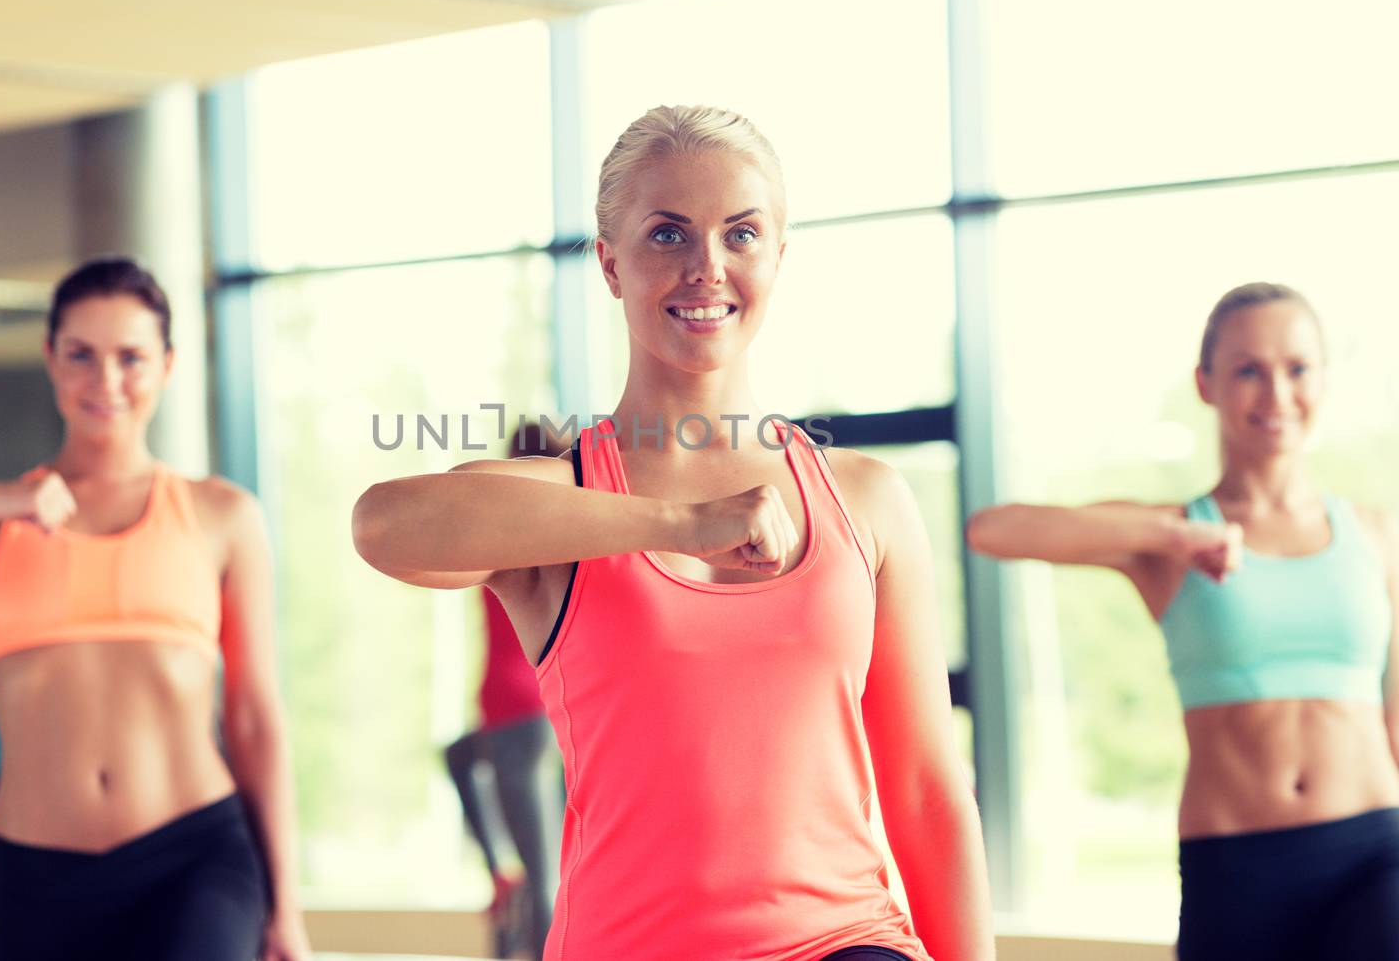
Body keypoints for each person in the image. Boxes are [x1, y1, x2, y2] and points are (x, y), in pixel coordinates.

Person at [355, 105, 993, 961]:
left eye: (740, 233)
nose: (707, 267)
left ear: (777, 255)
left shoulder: (865, 499)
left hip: (845, 940)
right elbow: (386, 524)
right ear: (611, 265)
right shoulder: (561, 507)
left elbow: (923, 791)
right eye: (667, 234)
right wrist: (679, 523)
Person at [0, 257, 310, 961]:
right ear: (51, 358)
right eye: (82, 355)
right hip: (36, 877)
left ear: (168, 363)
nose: (106, 381)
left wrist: (287, 904)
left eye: (131, 357)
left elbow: (255, 717)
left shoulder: (221, 514)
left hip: (191, 857)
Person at [966, 282, 1399, 960]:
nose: (1276, 394)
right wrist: (1172, 535)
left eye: (1297, 368)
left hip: (1374, 852)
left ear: (1324, 378)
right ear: (1207, 383)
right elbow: (993, 529)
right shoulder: (1171, 537)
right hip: (1235, 863)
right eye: (1248, 369)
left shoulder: (1377, 535)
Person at [442, 424, 564, 959]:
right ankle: (499, 867)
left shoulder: (508, 534)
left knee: (545, 876)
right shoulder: (553, 531)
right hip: (528, 713)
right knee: (456, 755)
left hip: (521, 714)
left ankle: (504, 873)